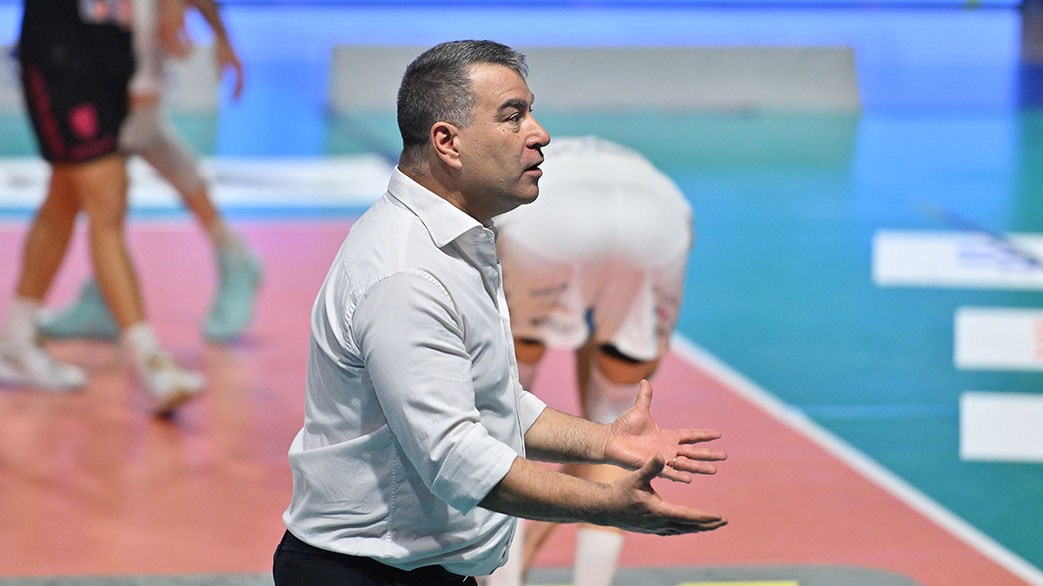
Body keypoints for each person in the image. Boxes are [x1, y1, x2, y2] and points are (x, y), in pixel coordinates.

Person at [273, 40, 727, 586]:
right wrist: (604, 505)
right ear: (448, 142)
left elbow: (492, 403)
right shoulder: (406, 275)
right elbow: (458, 460)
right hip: (366, 576)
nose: (540, 133)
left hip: (417, 571)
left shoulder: (457, 244)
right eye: (513, 117)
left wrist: (606, 443)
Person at [485, 136, 694, 586]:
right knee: (618, 424)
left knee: (503, 417)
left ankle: (503, 578)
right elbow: (597, 435)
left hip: (545, 221)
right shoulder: (640, 169)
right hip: (658, 223)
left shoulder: (533, 163)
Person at [0, 0, 203, 416]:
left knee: (64, 198)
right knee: (105, 197)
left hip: (111, 42)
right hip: (62, 44)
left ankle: (16, 340)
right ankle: (149, 359)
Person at [38, 0, 263, 343]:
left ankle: (232, 254)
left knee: (129, 131)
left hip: (129, 19)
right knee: (122, 141)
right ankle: (109, 288)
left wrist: (191, 16)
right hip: (99, 24)